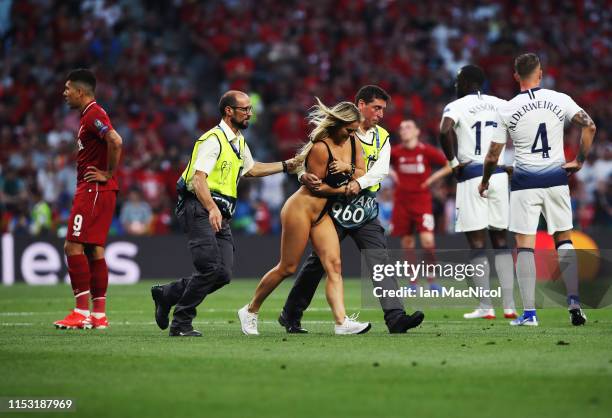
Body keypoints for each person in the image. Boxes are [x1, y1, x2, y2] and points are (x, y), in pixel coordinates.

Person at [151, 90, 299, 337]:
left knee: (222, 274)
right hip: (200, 206)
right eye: (245, 109)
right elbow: (199, 180)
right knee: (209, 267)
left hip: (220, 211)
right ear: (229, 111)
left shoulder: (238, 140)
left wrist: (285, 166)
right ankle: (181, 323)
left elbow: (250, 169)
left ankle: (167, 294)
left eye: (251, 109)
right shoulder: (213, 139)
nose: (250, 114)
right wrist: (210, 208)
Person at [279, 85, 425, 334]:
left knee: (380, 261)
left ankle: (396, 318)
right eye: (376, 108)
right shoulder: (342, 130)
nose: (380, 114)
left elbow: (381, 170)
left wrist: (358, 182)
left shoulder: (383, 137)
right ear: (360, 106)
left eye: (383, 109)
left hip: (365, 206)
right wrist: (303, 175)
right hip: (334, 205)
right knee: (319, 264)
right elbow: (306, 157)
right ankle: (291, 314)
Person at [479, 53, 596, 326]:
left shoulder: (506, 109)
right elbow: (589, 125)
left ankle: (530, 314)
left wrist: (485, 180)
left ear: (515, 76)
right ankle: (574, 304)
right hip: (557, 178)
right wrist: (579, 160)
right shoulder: (561, 99)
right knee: (564, 240)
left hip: (524, 183)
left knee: (525, 246)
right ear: (540, 73)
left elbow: (493, 155)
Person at [238, 99, 372, 335]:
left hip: (322, 214)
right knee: (287, 267)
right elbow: (318, 188)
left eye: (354, 130)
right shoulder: (321, 147)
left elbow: (362, 172)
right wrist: (346, 188)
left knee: (334, 265)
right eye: (348, 129)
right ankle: (250, 310)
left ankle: (341, 323)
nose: (351, 134)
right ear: (337, 123)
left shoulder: (353, 140)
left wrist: (347, 169)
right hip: (300, 209)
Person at [439, 65, 517, 320]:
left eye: (457, 81)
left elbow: (444, 129)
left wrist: (452, 164)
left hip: (472, 176)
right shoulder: (501, 103)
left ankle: (486, 306)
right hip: (499, 176)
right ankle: (509, 306)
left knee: (477, 243)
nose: (455, 86)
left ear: (465, 83)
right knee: (502, 241)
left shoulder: (457, 105)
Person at [54, 69, 123, 330]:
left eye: (68, 88)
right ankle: (98, 316)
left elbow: (115, 140)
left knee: (72, 246)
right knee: (94, 249)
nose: (64, 93)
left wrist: (108, 173)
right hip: (97, 190)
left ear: (81, 92)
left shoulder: (94, 114)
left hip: (93, 188)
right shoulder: (89, 116)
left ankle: (81, 312)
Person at [390, 119, 448, 291]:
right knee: (407, 242)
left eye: (408, 127)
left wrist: (431, 180)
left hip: (422, 202)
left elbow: (448, 166)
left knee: (427, 239)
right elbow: (377, 164)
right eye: (401, 128)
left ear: (417, 131)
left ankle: (432, 280)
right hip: (402, 202)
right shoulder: (395, 152)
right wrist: (393, 174)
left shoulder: (426, 151)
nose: (404, 130)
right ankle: (413, 283)